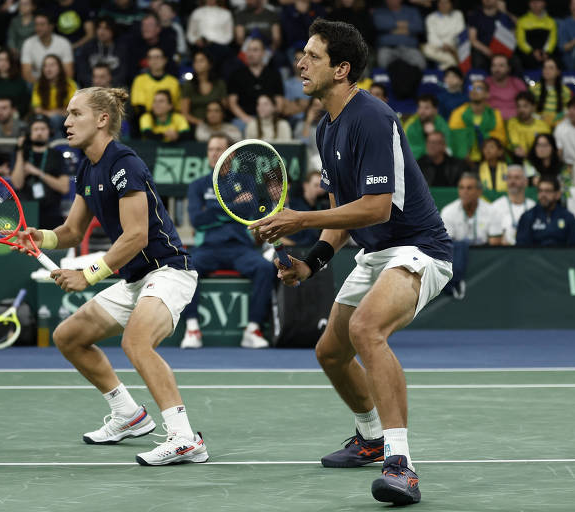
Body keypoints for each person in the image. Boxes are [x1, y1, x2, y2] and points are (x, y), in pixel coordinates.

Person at [250, 20, 453, 506]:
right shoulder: (326, 127)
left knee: (366, 330)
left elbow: (376, 206)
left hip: (418, 248)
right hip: (375, 252)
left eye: (313, 56)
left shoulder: (371, 117)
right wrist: (312, 262)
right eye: (302, 54)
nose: (300, 63)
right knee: (330, 352)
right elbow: (344, 213)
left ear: (341, 69)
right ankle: (371, 436)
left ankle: (401, 464)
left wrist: (299, 219)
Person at [13, 86, 208, 466]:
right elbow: (70, 231)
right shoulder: (87, 165)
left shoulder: (125, 164)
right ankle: (128, 415)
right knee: (69, 337)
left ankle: (185, 438)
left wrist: (88, 274)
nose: (65, 122)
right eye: (66, 116)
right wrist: (39, 236)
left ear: (102, 119)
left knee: (136, 342)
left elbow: (136, 236)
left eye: (75, 114)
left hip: (168, 271)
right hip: (136, 278)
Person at [180, 133, 276, 350]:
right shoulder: (197, 185)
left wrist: (214, 209)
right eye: (210, 149)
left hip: (240, 248)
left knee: (265, 268)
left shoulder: (246, 181)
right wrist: (232, 206)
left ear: (230, 155)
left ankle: (253, 329)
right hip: (207, 248)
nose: (214, 154)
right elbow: (197, 220)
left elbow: (250, 211)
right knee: (185, 268)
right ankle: (192, 328)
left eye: (219, 149)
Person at [11, 115, 71, 229]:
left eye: (43, 129)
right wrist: (20, 150)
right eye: (36, 129)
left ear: (49, 131)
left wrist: (38, 173)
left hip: (51, 212)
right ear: (30, 132)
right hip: (25, 211)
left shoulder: (57, 155)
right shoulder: (22, 154)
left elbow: (64, 187)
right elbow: (17, 183)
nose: (39, 132)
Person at [227, 37, 284, 128]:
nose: (250, 54)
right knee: (236, 125)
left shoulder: (274, 74)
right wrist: (246, 119)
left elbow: (279, 103)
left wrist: (270, 119)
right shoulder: (237, 75)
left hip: (269, 118)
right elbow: (232, 103)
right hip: (244, 119)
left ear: (263, 53)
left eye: (255, 50)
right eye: (248, 50)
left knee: (281, 125)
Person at [448, 79, 507, 164]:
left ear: (487, 94)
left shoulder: (495, 114)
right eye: (472, 88)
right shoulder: (458, 113)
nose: (474, 91)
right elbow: (455, 137)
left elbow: (500, 138)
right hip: (464, 160)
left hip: (491, 160)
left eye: (479, 88)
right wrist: (465, 154)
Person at [516, 175, 575, 247]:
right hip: (534, 257)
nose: (543, 195)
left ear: (557, 194)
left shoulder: (568, 217)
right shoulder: (528, 217)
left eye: (547, 191)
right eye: (540, 191)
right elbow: (521, 248)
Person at [441, 172, 496, 246]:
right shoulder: (448, 212)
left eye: (469, 188)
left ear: (479, 192)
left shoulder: (492, 211)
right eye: (461, 188)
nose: (465, 192)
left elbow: (495, 244)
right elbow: (447, 245)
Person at [20, 11, 74, 85]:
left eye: (42, 24)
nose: (38, 28)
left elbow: (69, 73)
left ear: (51, 26)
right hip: (37, 83)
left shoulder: (64, 43)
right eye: (36, 24)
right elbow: (26, 73)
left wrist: (55, 88)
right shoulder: (28, 43)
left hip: (60, 84)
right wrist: (42, 88)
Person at [487, 165, 536, 246]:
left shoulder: (533, 206)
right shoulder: (495, 207)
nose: (512, 181)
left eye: (517, 178)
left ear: (525, 182)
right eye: (509, 178)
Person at [31, 54, 78, 136]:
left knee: (55, 119)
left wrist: (53, 114)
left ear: (59, 68)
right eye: (45, 66)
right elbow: (37, 110)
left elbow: (74, 109)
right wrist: (54, 113)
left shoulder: (70, 84)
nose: (48, 69)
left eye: (52, 65)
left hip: (67, 119)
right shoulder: (38, 85)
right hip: (45, 119)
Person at [372, 0, 425, 70]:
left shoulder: (412, 11)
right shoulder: (379, 11)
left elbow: (418, 27)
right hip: (387, 49)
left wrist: (392, 29)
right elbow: (380, 25)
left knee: (421, 63)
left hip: (410, 48)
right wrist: (406, 27)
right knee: (382, 61)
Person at [180, 50, 227, 127]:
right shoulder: (188, 85)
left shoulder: (219, 84)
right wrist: (201, 123)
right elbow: (184, 113)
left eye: (201, 61)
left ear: (210, 64)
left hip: (218, 125)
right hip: (195, 125)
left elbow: (224, 108)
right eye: (195, 61)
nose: (198, 64)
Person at [130, 47, 181, 118]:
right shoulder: (139, 80)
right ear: (147, 61)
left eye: (158, 57)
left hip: (170, 121)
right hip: (147, 121)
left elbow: (176, 107)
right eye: (151, 58)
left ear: (165, 60)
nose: (155, 60)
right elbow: (139, 106)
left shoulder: (173, 81)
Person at [75, 17, 126, 88]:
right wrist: (96, 84)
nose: (102, 32)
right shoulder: (87, 47)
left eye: (106, 28)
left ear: (113, 30)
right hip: (91, 87)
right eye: (99, 28)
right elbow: (82, 72)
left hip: (114, 87)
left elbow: (124, 72)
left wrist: (109, 84)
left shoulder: (122, 48)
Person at [0, 49, 31, 120]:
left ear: (10, 62)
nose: (2, 63)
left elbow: (25, 102)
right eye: (0, 60)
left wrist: (16, 112)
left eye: (5, 60)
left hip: (16, 118)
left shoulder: (20, 82)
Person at [507, 91, 551, 161]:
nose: (521, 110)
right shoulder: (512, 123)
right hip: (517, 160)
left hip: (538, 160)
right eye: (519, 106)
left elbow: (546, 148)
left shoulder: (543, 126)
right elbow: (514, 144)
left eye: (525, 106)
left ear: (533, 107)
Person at [403, 94, 451, 159]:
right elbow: (411, 152)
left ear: (435, 110)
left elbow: (448, 150)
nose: (422, 111)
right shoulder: (412, 126)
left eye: (426, 108)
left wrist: (433, 133)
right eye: (420, 107)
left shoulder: (442, 125)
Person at [421, 0, 465, 70]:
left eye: (446, 2)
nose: (443, 5)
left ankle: (440, 71)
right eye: (441, 3)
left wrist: (449, 46)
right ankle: (451, 63)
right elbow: (431, 37)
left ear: (451, 4)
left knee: (461, 52)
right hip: (438, 46)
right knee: (426, 49)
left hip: (454, 46)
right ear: (437, 4)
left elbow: (460, 32)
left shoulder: (458, 14)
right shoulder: (431, 17)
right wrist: (442, 45)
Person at [515, 0, 557, 70]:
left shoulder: (551, 21)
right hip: (528, 54)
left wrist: (546, 52)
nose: (535, 4)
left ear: (544, 3)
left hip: (546, 53)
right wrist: (532, 52)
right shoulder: (522, 21)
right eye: (532, 1)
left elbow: (552, 40)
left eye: (538, 1)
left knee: (554, 61)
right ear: (529, 4)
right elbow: (521, 41)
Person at [530, 57, 570, 127]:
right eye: (545, 68)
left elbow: (567, 111)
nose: (547, 71)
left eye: (551, 68)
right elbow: (529, 110)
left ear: (558, 72)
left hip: (559, 125)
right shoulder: (533, 89)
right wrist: (539, 118)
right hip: (538, 125)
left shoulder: (565, 91)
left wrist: (555, 120)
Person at [485, 54, 526, 121]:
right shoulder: (485, 83)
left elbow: (526, 105)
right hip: (491, 122)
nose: (497, 69)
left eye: (501, 66)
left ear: (508, 68)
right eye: (494, 65)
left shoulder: (518, 83)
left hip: (516, 121)